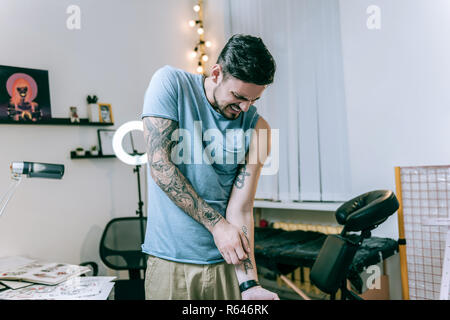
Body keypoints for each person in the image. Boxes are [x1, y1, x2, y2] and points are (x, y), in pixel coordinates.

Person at [141, 34, 279, 300]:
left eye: (253, 100)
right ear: (216, 73)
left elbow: (242, 207)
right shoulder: (170, 83)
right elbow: (160, 165)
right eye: (238, 96)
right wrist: (217, 226)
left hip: (227, 263)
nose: (244, 107)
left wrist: (249, 284)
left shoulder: (258, 128)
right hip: (171, 260)